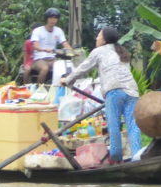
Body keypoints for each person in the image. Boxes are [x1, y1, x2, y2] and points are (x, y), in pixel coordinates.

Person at [60, 26, 141, 164]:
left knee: (113, 123)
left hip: (114, 91)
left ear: (104, 40)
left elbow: (83, 68)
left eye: (98, 35)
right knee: (133, 125)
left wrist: (67, 80)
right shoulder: (122, 51)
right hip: (132, 91)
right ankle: (137, 157)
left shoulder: (99, 51)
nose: (96, 38)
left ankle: (115, 157)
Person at [28, 8, 73, 85]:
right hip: (39, 59)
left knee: (63, 67)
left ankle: (59, 87)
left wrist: (72, 51)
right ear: (47, 18)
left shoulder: (58, 31)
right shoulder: (38, 31)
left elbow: (64, 43)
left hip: (52, 59)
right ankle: (40, 89)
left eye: (55, 18)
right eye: (51, 18)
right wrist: (44, 50)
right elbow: (35, 46)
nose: (53, 20)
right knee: (45, 68)